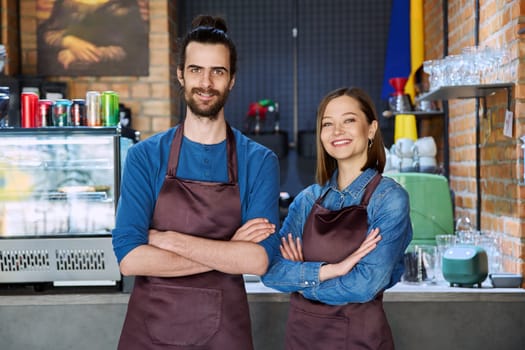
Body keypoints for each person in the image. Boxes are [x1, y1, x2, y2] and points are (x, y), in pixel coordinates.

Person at [112, 15, 280, 349]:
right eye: (195, 70)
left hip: (225, 335)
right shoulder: (145, 156)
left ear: (231, 79)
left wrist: (168, 240)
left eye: (218, 71)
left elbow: (259, 260)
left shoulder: (259, 161)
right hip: (150, 333)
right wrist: (229, 249)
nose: (206, 82)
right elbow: (130, 259)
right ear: (180, 74)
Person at [260, 87, 413, 349]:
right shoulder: (308, 199)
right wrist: (332, 270)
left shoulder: (389, 199)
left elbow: (365, 285)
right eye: (327, 123)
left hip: (360, 340)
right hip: (302, 339)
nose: (337, 131)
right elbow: (269, 270)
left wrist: (302, 281)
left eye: (349, 120)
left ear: (372, 129)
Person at [37, 0, 149, 76]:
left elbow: (132, 46)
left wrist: (80, 54)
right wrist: (68, 41)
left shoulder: (125, 6)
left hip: (110, 72)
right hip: (63, 72)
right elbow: (47, 33)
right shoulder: (65, 3)